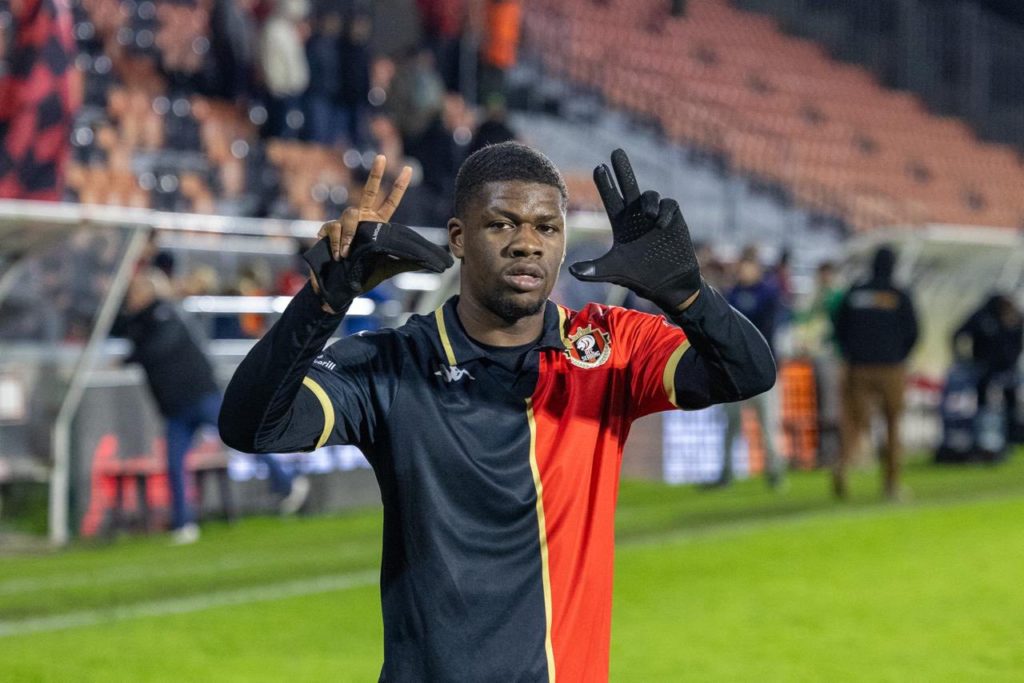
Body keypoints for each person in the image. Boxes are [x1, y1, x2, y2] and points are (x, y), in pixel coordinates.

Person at [219, 144, 775, 680]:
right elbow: (253, 426)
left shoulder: (609, 346)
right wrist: (324, 300)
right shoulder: (392, 363)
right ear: (459, 237)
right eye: (502, 224)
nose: (527, 243)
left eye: (547, 227)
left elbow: (746, 372)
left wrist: (688, 294)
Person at [115, 270, 309, 544]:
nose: (130, 297)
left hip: (200, 395)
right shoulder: (138, 321)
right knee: (174, 463)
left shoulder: (164, 312)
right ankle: (183, 523)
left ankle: (286, 482)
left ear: (149, 292)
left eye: (135, 291)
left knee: (243, 437)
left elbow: (158, 348)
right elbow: (121, 330)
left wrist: (128, 358)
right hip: (175, 407)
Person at [833, 246, 918, 500]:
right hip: (890, 368)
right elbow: (913, 331)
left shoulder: (855, 292)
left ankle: (842, 466)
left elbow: (839, 327)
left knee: (855, 422)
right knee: (892, 424)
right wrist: (899, 354)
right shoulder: (899, 294)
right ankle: (891, 484)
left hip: (859, 367)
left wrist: (851, 353)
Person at [716, 250, 785, 487]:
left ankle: (775, 472)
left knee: (768, 424)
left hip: (763, 367)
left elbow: (766, 329)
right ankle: (726, 472)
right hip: (735, 369)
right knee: (731, 423)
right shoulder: (732, 293)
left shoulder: (768, 293)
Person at [953, 293, 1023, 445]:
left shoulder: (1015, 318)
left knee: (1010, 401)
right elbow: (958, 334)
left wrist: (1012, 359)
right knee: (982, 401)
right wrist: (963, 359)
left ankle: (1012, 435)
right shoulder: (983, 316)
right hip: (983, 367)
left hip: (1006, 367)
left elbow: (1017, 342)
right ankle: (981, 436)